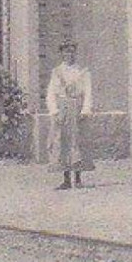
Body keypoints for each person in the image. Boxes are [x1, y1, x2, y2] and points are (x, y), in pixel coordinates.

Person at [46, 40, 94, 190]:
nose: (69, 54)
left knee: (77, 141)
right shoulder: (57, 72)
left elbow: (88, 91)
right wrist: (54, 111)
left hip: (77, 108)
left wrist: (85, 110)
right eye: (66, 51)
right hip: (62, 109)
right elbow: (51, 93)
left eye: (72, 51)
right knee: (63, 142)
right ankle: (66, 178)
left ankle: (78, 178)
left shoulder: (83, 71)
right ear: (62, 53)